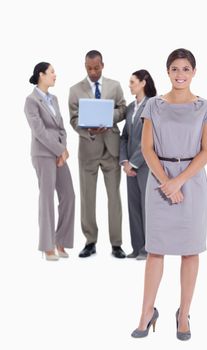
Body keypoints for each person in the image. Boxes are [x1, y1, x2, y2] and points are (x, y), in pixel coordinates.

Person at [131, 48, 207, 340]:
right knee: (156, 249)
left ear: (194, 72)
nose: (180, 74)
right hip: (159, 181)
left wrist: (178, 181)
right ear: (167, 72)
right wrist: (166, 181)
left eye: (185, 69)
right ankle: (146, 312)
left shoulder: (204, 107)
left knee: (190, 250)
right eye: (174, 69)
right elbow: (146, 148)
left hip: (191, 182)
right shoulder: (153, 105)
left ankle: (183, 314)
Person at [69, 50, 127, 258]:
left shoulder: (115, 86)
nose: (92, 72)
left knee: (114, 197)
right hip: (88, 149)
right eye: (88, 68)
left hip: (111, 149)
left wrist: (109, 117)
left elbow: (123, 110)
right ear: (85, 66)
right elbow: (74, 120)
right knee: (87, 197)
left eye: (96, 67)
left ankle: (116, 244)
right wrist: (89, 130)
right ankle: (90, 241)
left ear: (103, 65)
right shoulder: (75, 90)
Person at [24, 62, 75, 261]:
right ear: (41, 75)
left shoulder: (53, 99)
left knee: (68, 195)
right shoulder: (31, 100)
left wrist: (62, 150)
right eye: (52, 72)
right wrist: (59, 150)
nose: (55, 75)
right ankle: (47, 247)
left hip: (58, 154)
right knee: (46, 198)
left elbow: (61, 127)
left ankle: (60, 240)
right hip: (43, 154)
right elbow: (39, 132)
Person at [120, 70, 157, 260]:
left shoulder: (154, 105)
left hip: (146, 165)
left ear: (143, 83)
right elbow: (124, 136)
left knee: (146, 206)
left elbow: (149, 140)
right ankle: (136, 248)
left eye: (132, 81)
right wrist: (125, 161)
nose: (129, 84)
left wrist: (133, 163)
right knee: (133, 206)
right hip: (130, 166)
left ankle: (148, 249)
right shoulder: (130, 108)